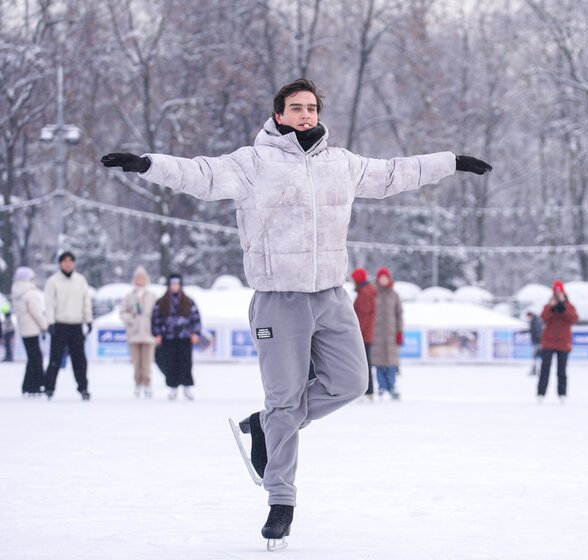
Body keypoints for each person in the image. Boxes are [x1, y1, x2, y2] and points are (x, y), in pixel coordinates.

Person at [101, 77, 491, 547]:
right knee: (285, 400)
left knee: (352, 382)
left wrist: (451, 161)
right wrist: (147, 164)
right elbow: (200, 174)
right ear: (279, 115)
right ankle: (280, 500)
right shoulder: (252, 163)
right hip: (278, 298)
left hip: (330, 296)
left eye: (311, 108)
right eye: (296, 108)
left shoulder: (341, 163)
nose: (306, 115)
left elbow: (393, 173)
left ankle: (266, 426)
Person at [43, 251, 93, 400]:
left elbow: (86, 301)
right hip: (59, 324)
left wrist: (88, 319)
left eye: (71, 261)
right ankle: (49, 387)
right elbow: (49, 304)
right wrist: (50, 322)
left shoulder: (80, 280)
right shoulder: (53, 281)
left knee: (80, 360)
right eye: (65, 261)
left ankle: (83, 388)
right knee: (55, 358)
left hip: (76, 325)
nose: (68, 263)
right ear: (60, 263)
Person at [151, 273, 201, 400]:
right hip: (168, 338)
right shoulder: (161, 302)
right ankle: (173, 387)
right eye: (172, 284)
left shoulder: (188, 301)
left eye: (177, 284)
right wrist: (157, 334)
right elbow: (155, 319)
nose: (175, 286)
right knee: (170, 363)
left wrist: (195, 333)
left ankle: (187, 386)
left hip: (184, 338)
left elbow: (195, 318)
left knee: (186, 363)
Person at [120, 266, 158, 398]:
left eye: (142, 278)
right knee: (136, 362)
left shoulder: (152, 295)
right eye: (138, 278)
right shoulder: (129, 296)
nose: (140, 281)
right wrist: (131, 319)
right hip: (134, 333)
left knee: (147, 362)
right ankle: (138, 383)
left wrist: (155, 327)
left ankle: (147, 384)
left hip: (148, 333)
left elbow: (157, 313)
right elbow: (122, 312)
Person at [538, 281, 579, 403]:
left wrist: (563, 307)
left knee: (562, 370)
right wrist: (551, 307)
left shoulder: (569, 306)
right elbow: (543, 317)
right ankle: (541, 393)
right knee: (545, 369)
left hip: (563, 342)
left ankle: (562, 393)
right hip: (548, 341)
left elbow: (573, 318)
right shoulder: (548, 305)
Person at [11, 267, 48, 396]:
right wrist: (44, 326)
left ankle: (28, 385)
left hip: (23, 328)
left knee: (32, 357)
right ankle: (36, 384)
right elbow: (36, 312)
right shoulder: (30, 292)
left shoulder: (16, 291)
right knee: (36, 358)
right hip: (32, 328)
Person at [371, 267, 403, 400]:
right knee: (378, 362)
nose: (383, 280)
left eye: (385, 278)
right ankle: (381, 386)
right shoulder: (373, 293)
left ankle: (392, 386)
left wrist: (399, 331)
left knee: (391, 363)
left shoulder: (394, 295)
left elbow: (399, 314)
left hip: (390, 334)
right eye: (381, 278)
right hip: (376, 334)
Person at [351, 267, 376, 401]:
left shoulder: (364, 293)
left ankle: (367, 391)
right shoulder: (366, 291)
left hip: (363, 335)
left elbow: (363, 317)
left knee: (363, 364)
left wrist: (358, 333)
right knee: (364, 363)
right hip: (366, 334)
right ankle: (368, 390)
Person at [526, 311, 543, 376]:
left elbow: (537, 331)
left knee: (535, 357)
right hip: (538, 341)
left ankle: (536, 370)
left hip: (537, 342)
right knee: (537, 357)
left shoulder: (534, 321)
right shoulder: (536, 320)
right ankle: (537, 370)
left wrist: (538, 340)